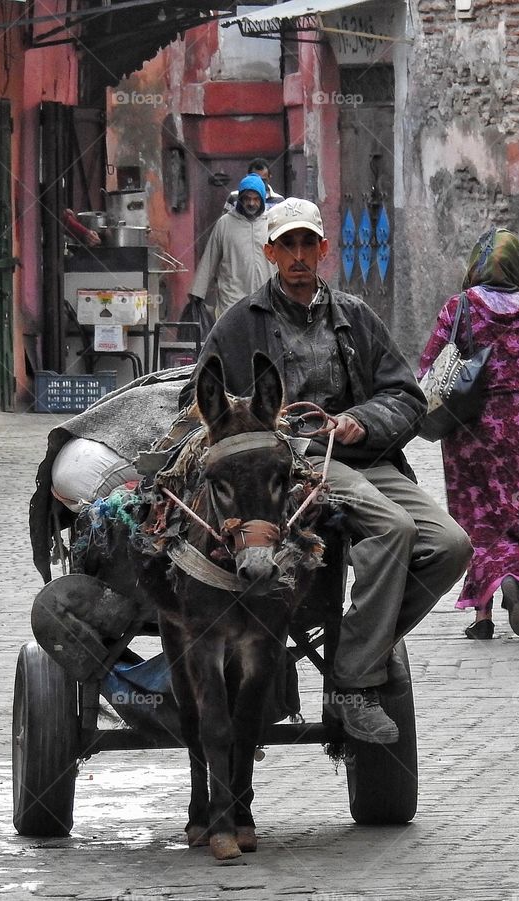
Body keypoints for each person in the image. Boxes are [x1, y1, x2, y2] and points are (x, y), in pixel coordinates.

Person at [181, 197, 472, 744]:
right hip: (289, 464)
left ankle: (355, 650)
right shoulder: (240, 323)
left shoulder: (355, 316)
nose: (297, 256)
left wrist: (360, 422)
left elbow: (405, 396)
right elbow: (200, 402)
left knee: (451, 545)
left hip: (364, 456)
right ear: (269, 252)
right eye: (285, 245)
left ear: (323, 250)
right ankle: (357, 683)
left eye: (306, 244)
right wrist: (263, 426)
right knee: (394, 529)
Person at [419, 227, 519, 640]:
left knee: (477, 518)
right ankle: (518, 581)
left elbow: (429, 367)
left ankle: (481, 617)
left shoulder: (459, 307)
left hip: (471, 431)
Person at [187, 174, 274, 321]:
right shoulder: (225, 224)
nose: (251, 203)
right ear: (240, 200)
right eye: (247, 199)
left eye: (256, 199)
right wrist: (197, 294)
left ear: (262, 200)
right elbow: (210, 259)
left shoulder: (272, 223)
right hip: (232, 302)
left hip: (266, 301)